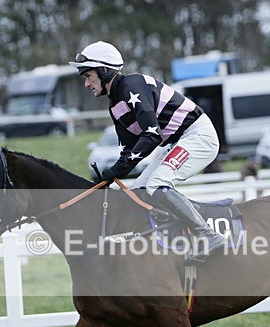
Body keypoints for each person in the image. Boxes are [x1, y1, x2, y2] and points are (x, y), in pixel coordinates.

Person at [69, 40, 224, 263]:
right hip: (176, 142)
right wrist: (107, 178)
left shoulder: (133, 86)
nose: (86, 84)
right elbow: (129, 151)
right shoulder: (115, 106)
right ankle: (165, 242)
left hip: (198, 136)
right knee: (138, 190)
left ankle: (208, 235)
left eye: (88, 76)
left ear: (104, 71)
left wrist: (114, 171)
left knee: (157, 184)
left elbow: (152, 135)